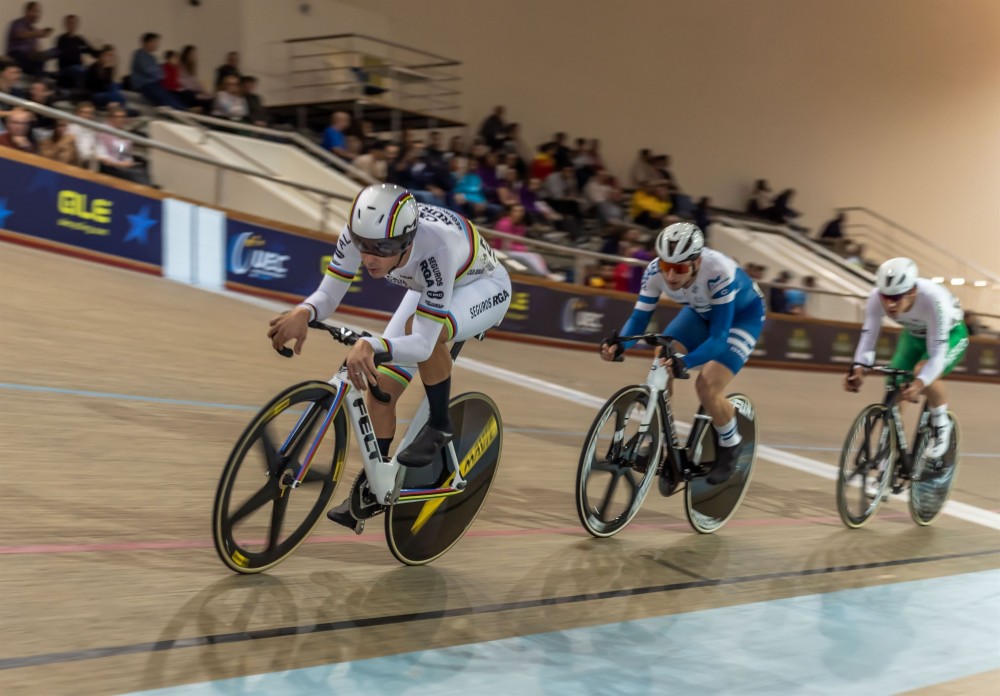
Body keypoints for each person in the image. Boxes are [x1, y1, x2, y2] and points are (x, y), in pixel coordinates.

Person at [267, 184, 512, 528]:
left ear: (407, 241)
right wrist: (304, 312)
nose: (370, 257)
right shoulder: (363, 234)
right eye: (364, 246)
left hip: (482, 287)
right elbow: (329, 293)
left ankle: (440, 425)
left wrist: (374, 345)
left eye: (383, 249)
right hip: (429, 286)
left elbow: (423, 344)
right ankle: (376, 484)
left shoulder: (433, 249)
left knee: (423, 331)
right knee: (380, 388)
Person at [600, 222, 767, 484]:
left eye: (678, 268)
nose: (670, 276)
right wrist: (620, 344)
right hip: (700, 311)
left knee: (707, 386)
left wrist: (686, 362)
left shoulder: (718, 272)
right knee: (661, 359)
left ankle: (730, 443)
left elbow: (719, 338)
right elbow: (639, 319)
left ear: (697, 262)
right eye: (666, 267)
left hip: (741, 318)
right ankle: (657, 439)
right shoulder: (654, 271)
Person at [844, 258, 967, 459]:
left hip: (950, 335)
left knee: (922, 371)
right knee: (895, 385)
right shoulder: (876, 298)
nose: (890, 304)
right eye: (886, 297)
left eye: (896, 297)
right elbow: (868, 340)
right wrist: (859, 370)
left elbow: (936, 356)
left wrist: (919, 384)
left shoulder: (934, 300)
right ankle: (888, 454)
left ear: (911, 292)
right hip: (913, 336)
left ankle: (940, 423)